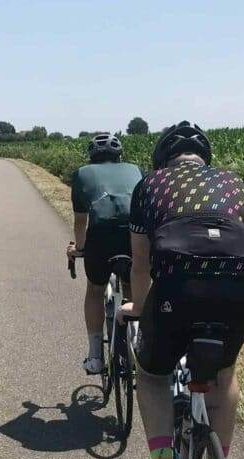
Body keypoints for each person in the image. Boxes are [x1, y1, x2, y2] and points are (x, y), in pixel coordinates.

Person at [121, 122, 244, 459]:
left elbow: (142, 264)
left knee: (151, 374)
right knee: (224, 376)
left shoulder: (149, 185)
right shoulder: (233, 182)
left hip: (177, 293)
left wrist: (140, 308)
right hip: (238, 293)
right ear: (205, 159)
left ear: (162, 159)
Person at [65, 133, 143, 375]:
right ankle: (136, 346)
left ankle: (96, 357)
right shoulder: (136, 169)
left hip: (101, 234)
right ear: (120, 155)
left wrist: (79, 249)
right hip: (134, 233)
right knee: (134, 285)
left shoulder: (81, 174)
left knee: (95, 289)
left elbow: (80, 222)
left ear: (92, 156)